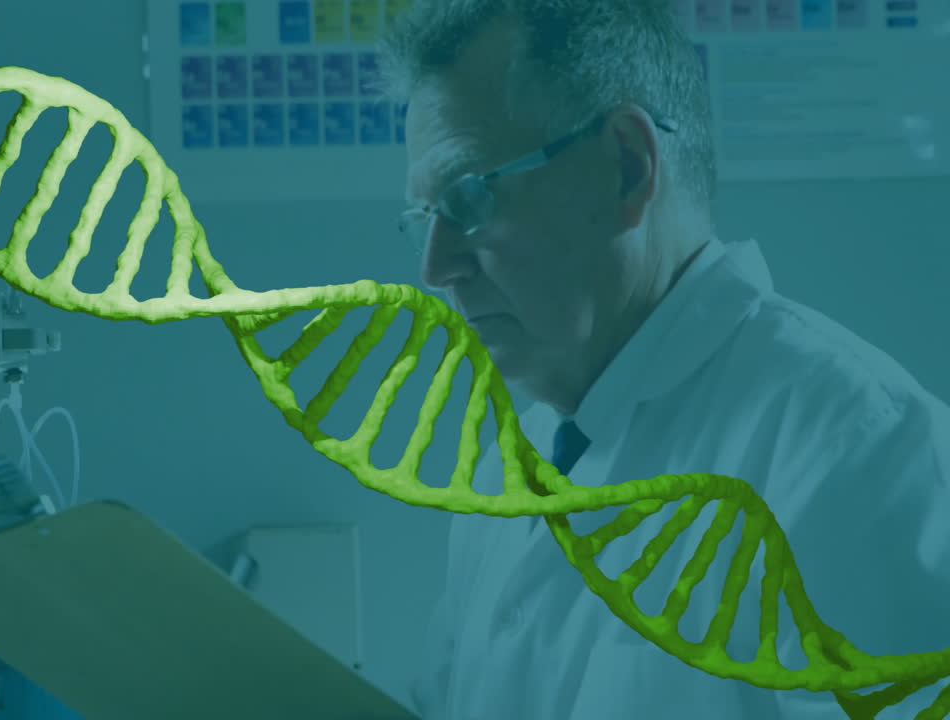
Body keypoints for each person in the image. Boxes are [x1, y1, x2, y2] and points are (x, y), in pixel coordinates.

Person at [373, 1, 950, 718]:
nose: (436, 267)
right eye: (424, 219)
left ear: (627, 167)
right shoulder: (513, 464)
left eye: (469, 199)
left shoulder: (859, 452)